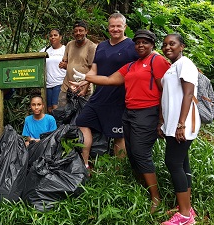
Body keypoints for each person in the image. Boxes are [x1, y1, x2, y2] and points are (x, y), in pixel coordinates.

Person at [71, 29, 171, 212]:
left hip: (147, 112)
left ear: (152, 45)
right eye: (138, 42)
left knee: (141, 153)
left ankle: (156, 197)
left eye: (145, 42)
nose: (141, 45)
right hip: (129, 112)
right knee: (132, 153)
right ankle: (142, 186)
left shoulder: (156, 61)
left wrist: (162, 118)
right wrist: (85, 77)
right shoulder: (131, 66)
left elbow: (166, 88)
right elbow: (109, 79)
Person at [74, 13, 139, 168]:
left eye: (118, 26)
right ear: (108, 27)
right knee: (82, 122)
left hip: (119, 98)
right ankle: (85, 165)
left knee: (118, 135)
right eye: (112, 26)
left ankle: (117, 172)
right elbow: (94, 70)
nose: (115, 29)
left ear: (125, 27)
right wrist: (84, 80)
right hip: (98, 96)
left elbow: (146, 63)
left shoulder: (132, 46)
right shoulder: (102, 46)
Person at [159, 33, 200, 225]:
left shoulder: (185, 64)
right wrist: (164, 123)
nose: (167, 47)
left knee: (173, 163)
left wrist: (181, 123)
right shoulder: (172, 67)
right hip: (173, 124)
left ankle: (184, 217)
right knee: (182, 164)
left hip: (182, 124)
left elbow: (188, 93)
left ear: (181, 46)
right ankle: (186, 207)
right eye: (165, 44)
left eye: (172, 44)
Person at [57, 20, 97, 106]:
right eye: (75, 31)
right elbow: (66, 63)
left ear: (86, 31)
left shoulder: (91, 47)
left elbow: (92, 70)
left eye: (81, 30)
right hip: (67, 87)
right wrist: (63, 65)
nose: (78, 33)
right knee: (62, 114)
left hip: (83, 89)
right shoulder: (69, 45)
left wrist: (85, 90)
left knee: (82, 117)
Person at [40, 28, 66, 113]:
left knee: (56, 107)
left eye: (55, 35)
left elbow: (73, 65)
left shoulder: (65, 50)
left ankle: (60, 126)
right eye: (51, 36)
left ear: (60, 37)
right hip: (48, 84)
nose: (53, 37)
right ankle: (53, 126)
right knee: (49, 109)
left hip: (60, 83)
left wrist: (66, 65)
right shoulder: (45, 50)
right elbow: (37, 62)